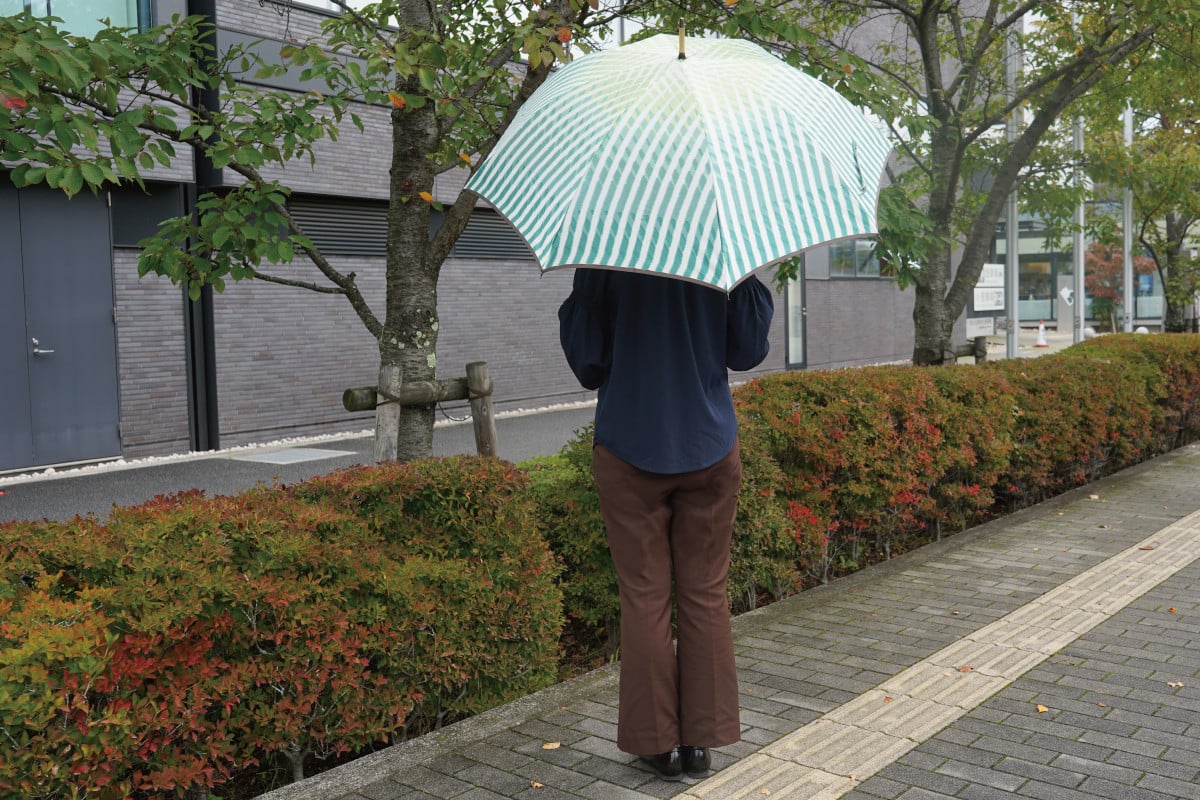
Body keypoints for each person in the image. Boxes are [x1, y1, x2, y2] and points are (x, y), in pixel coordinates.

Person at [558, 267, 774, 781]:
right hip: (709, 443)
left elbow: (587, 363)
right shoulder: (722, 246)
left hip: (629, 444)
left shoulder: (606, 253)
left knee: (645, 597)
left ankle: (659, 747)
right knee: (705, 593)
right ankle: (701, 740)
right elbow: (746, 350)